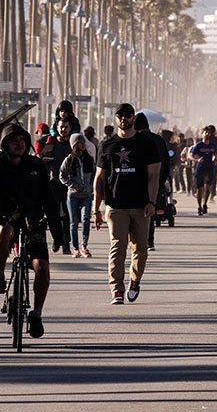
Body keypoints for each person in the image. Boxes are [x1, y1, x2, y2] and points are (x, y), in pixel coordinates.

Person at [0, 123, 62, 338]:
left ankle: (36, 314)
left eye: (22, 140)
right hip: (7, 218)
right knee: (4, 232)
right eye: (13, 140)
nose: (18, 144)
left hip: (32, 221)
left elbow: (49, 200)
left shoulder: (36, 165)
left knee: (42, 268)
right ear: (5, 144)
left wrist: (58, 234)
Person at [93, 103, 162, 305]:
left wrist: (151, 201)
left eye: (128, 115)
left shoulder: (146, 143)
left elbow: (154, 175)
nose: (124, 118)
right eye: (120, 115)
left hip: (141, 205)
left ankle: (134, 280)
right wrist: (96, 208)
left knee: (140, 249)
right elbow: (99, 179)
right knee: (117, 246)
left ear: (133, 118)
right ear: (115, 119)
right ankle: (116, 289)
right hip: (116, 205)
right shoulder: (106, 146)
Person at [134, 112, 171, 252]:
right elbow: (166, 163)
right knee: (150, 212)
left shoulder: (136, 140)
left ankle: (137, 241)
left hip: (137, 183)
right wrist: (161, 181)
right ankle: (149, 242)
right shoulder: (159, 140)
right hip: (156, 183)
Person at [59, 133, 94, 258]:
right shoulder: (69, 160)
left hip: (87, 195)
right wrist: (73, 185)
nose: (83, 144)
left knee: (86, 220)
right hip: (73, 195)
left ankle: (84, 246)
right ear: (74, 144)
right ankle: (75, 248)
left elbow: (94, 175)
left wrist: (91, 188)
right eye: (80, 142)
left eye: (83, 142)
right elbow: (62, 176)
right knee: (73, 223)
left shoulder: (89, 159)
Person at [48, 119, 74, 255]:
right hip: (55, 183)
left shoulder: (72, 143)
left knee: (67, 215)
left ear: (70, 128)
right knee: (54, 214)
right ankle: (56, 239)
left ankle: (66, 243)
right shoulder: (51, 143)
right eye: (61, 127)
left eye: (66, 127)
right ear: (57, 128)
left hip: (69, 185)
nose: (63, 129)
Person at [190, 127, 217, 215]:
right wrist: (197, 160)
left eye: (208, 133)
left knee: (208, 187)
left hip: (209, 168)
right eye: (205, 132)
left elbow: (214, 154)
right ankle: (199, 206)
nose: (207, 134)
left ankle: (205, 204)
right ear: (202, 134)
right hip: (200, 168)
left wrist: (214, 158)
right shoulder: (198, 145)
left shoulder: (212, 145)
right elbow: (190, 155)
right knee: (199, 189)